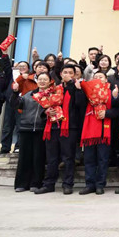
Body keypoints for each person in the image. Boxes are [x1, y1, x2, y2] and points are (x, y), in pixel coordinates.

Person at [35, 64, 87, 195]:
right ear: (61, 74)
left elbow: (80, 105)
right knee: (51, 158)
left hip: (69, 127)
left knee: (68, 157)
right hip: (52, 126)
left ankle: (67, 184)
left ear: (75, 75)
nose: (67, 75)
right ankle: (49, 184)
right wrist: (46, 111)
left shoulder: (78, 87)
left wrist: (74, 87)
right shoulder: (54, 89)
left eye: (70, 73)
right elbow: (44, 105)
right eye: (65, 72)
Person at [79, 72, 119, 195]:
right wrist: (78, 90)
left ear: (106, 79)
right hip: (89, 130)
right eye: (95, 77)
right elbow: (78, 105)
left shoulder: (111, 92)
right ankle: (89, 184)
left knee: (103, 159)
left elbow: (118, 111)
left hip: (104, 131)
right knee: (89, 159)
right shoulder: (87, 92)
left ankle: (100, 185)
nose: (97, 79)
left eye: (100, 77)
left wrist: (107, 112)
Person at [11, 72, 50, 192]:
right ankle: (21, 184)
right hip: (25, 129)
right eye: (40, 79)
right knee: (24, 157)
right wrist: (15, 93)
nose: (42, 81)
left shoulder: (52, 96)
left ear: (49, 82)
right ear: (37, 81)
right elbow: (15, 104)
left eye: (45, 79)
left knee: (38, 157)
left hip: (41, 129)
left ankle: (36, 183)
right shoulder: (28, 95)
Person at [0, 60, 30, 154]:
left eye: (24, 66)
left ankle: (18, 146)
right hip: (11, 103)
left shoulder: (29, 77)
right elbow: (6, 67)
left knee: (20, 126)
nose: (22, 68)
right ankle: (5, 147)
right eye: (20, 66)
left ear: (28, 69)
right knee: (7, 126)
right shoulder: (12, 76)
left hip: (23, 104)